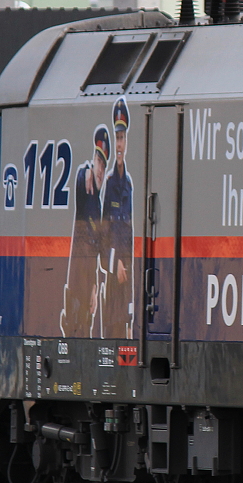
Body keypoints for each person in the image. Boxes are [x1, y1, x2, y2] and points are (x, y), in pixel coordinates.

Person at [63, 126, 109, 338]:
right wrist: (88, 172)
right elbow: (82, 178)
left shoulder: (99, 208)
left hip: (87, 284)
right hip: (75, 286)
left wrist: (95, 289)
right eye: (98, 162)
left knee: (86, 332)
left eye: (103, 165)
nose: (100, 170)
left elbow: (98, 253)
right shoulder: (86, 183)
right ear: (93, 160)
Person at [102, 98, 134, 339]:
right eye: (117, 138)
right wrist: (116, 264)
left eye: (123, 138)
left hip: (128, 283)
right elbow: (101, 239)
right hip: (113, 284)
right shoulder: (110, 184)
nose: (120, 144)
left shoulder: (129, 186)